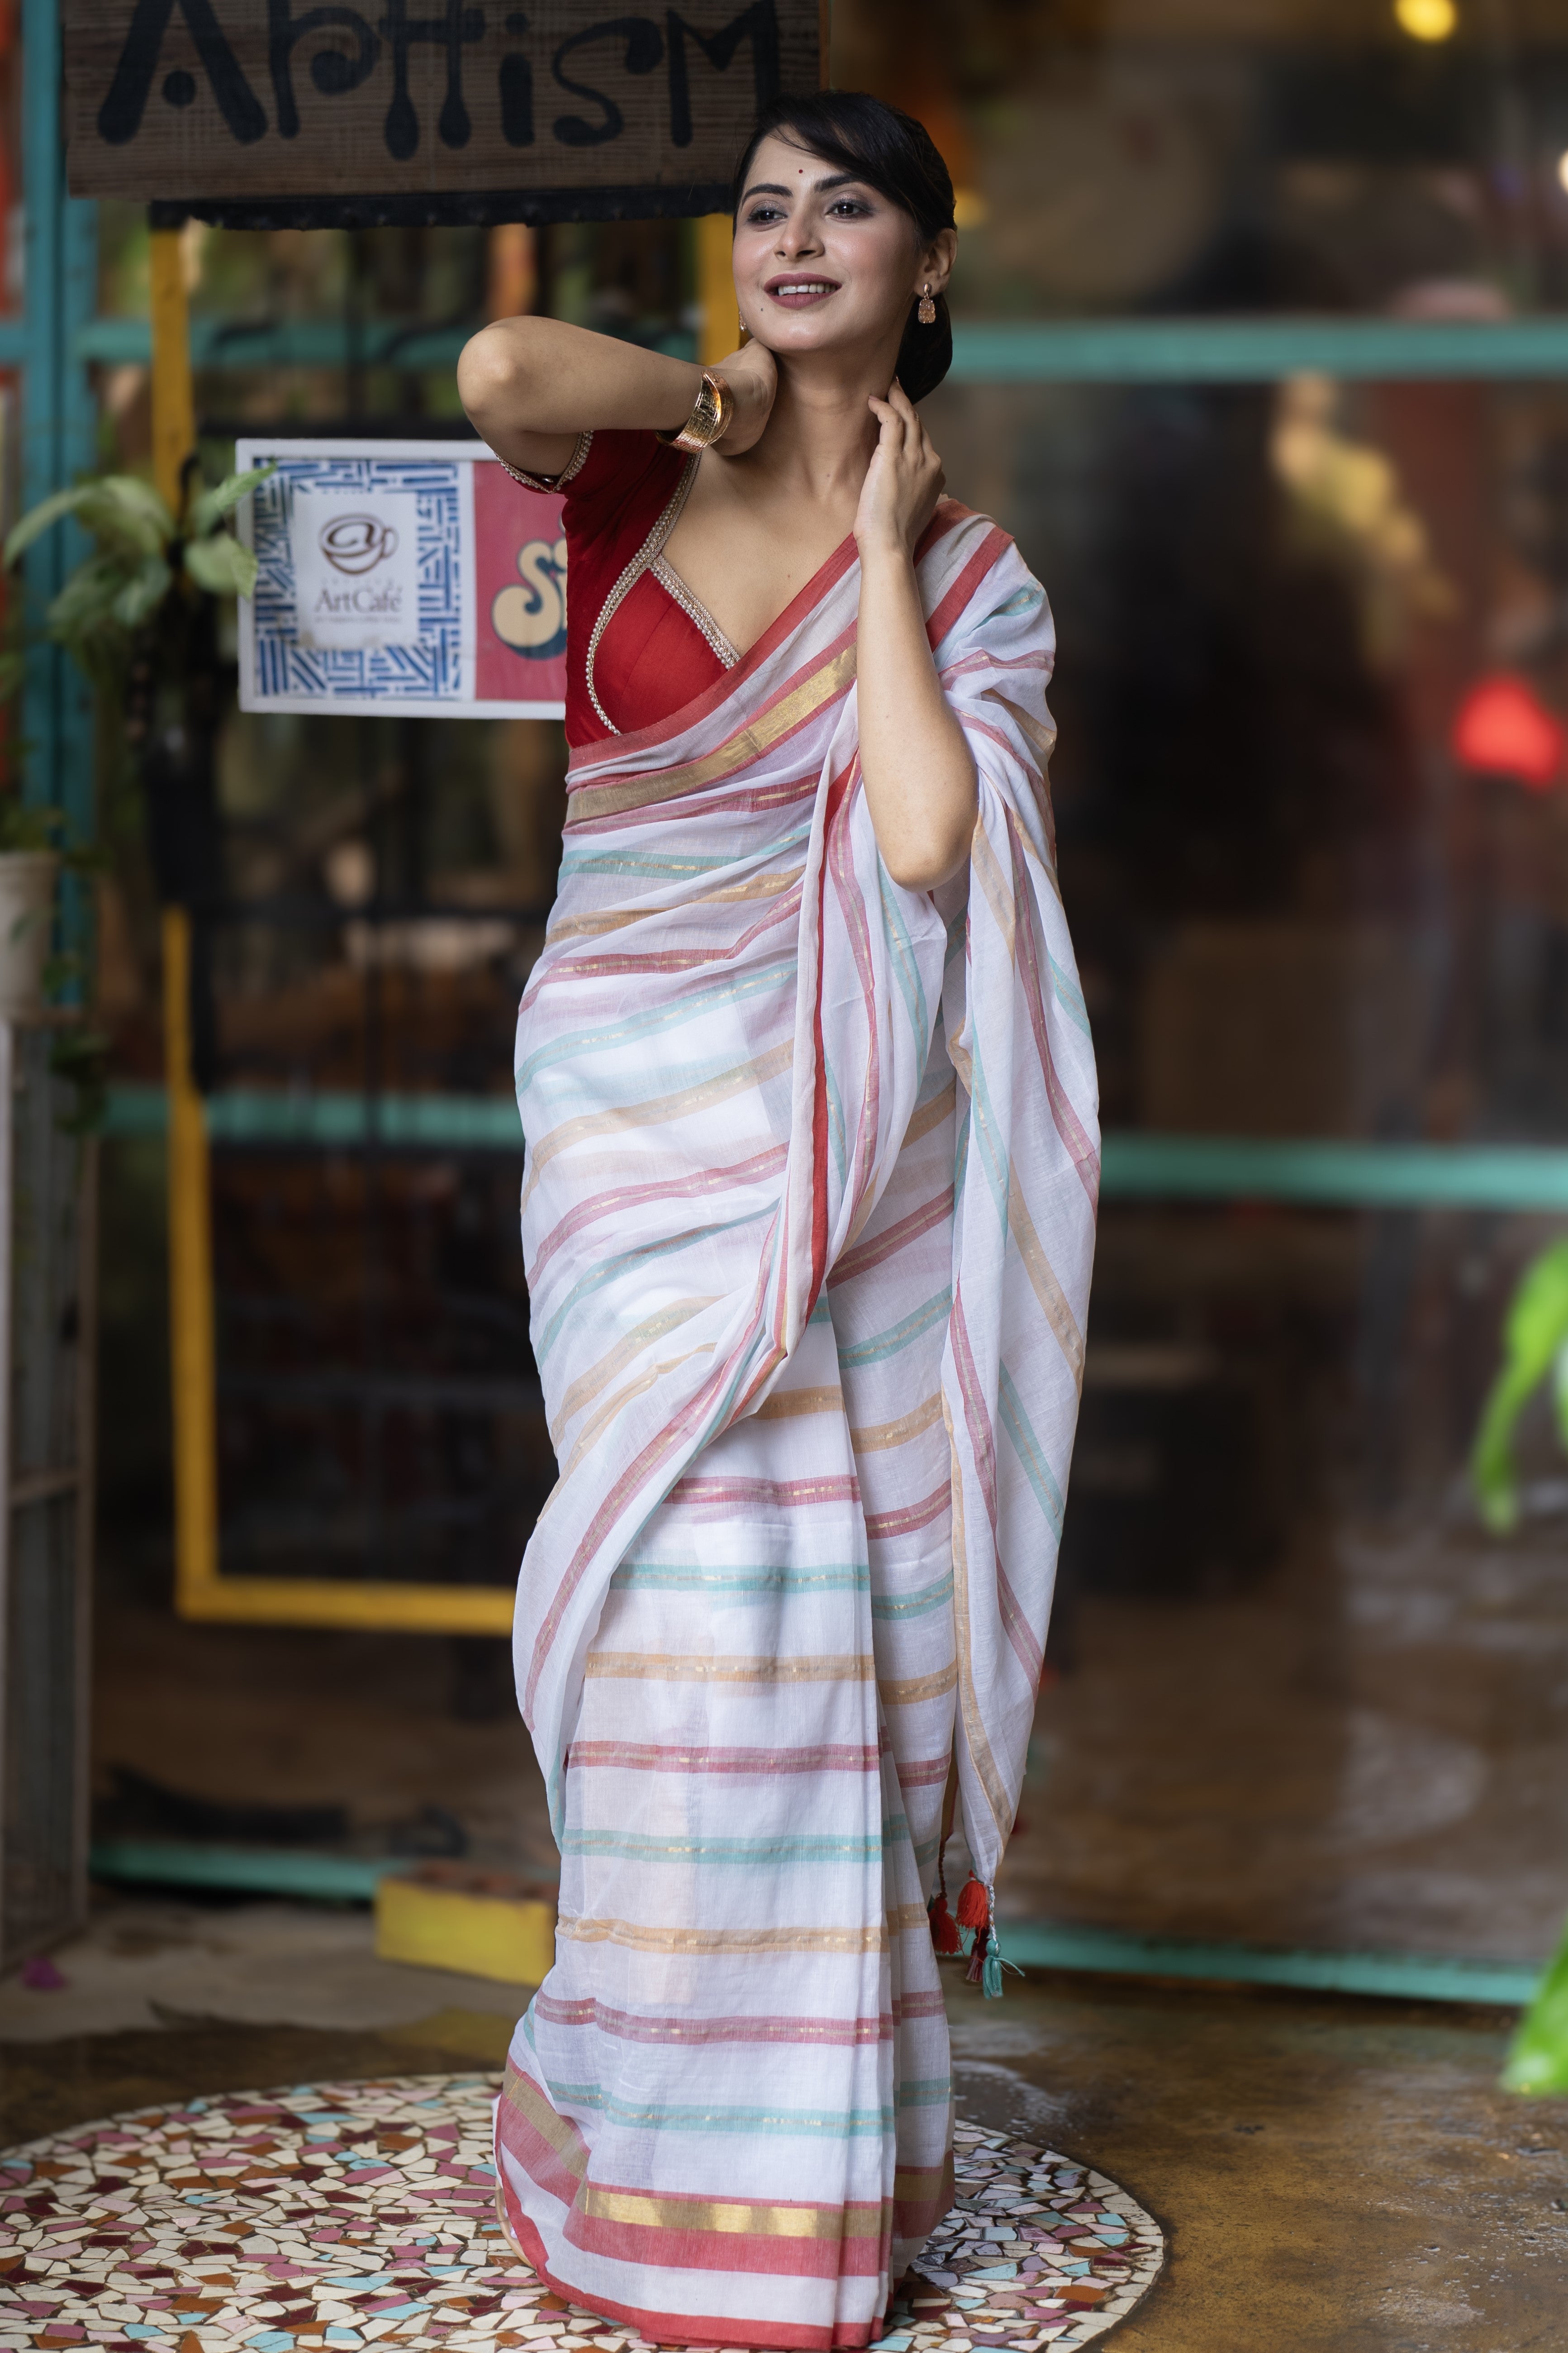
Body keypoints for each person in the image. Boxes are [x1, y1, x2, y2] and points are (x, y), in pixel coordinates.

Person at [457, 89, 1099, 2352]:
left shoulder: (983, 581)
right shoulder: (639, 466)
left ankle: (793, 2184)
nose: (797, 235)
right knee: (685, 1609)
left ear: (934, 266)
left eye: (849, 206)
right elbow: (499, 370)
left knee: (812, 1631)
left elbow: (922, 842)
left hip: (843, 1167)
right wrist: (719, 400)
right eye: (762, 207)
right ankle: (643, 2134)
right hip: (633, 1131)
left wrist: (889, 557)